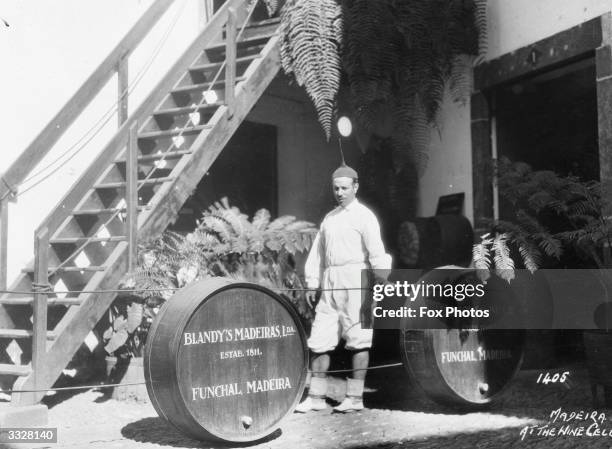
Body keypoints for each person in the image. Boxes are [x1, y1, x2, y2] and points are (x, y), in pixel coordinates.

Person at [295, 163, 392, 413]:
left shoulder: (365, 216)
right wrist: (312, 283)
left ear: (355, 187)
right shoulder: (330, 218)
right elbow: (317, 254)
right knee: (319, 340)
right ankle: (316, 396)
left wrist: (380, 281)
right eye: (336, 188)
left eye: (344, 188)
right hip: (331, 281)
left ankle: (355, 398)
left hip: (357, 280)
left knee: (359, 340)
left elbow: (377, 251)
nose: (339, 192)